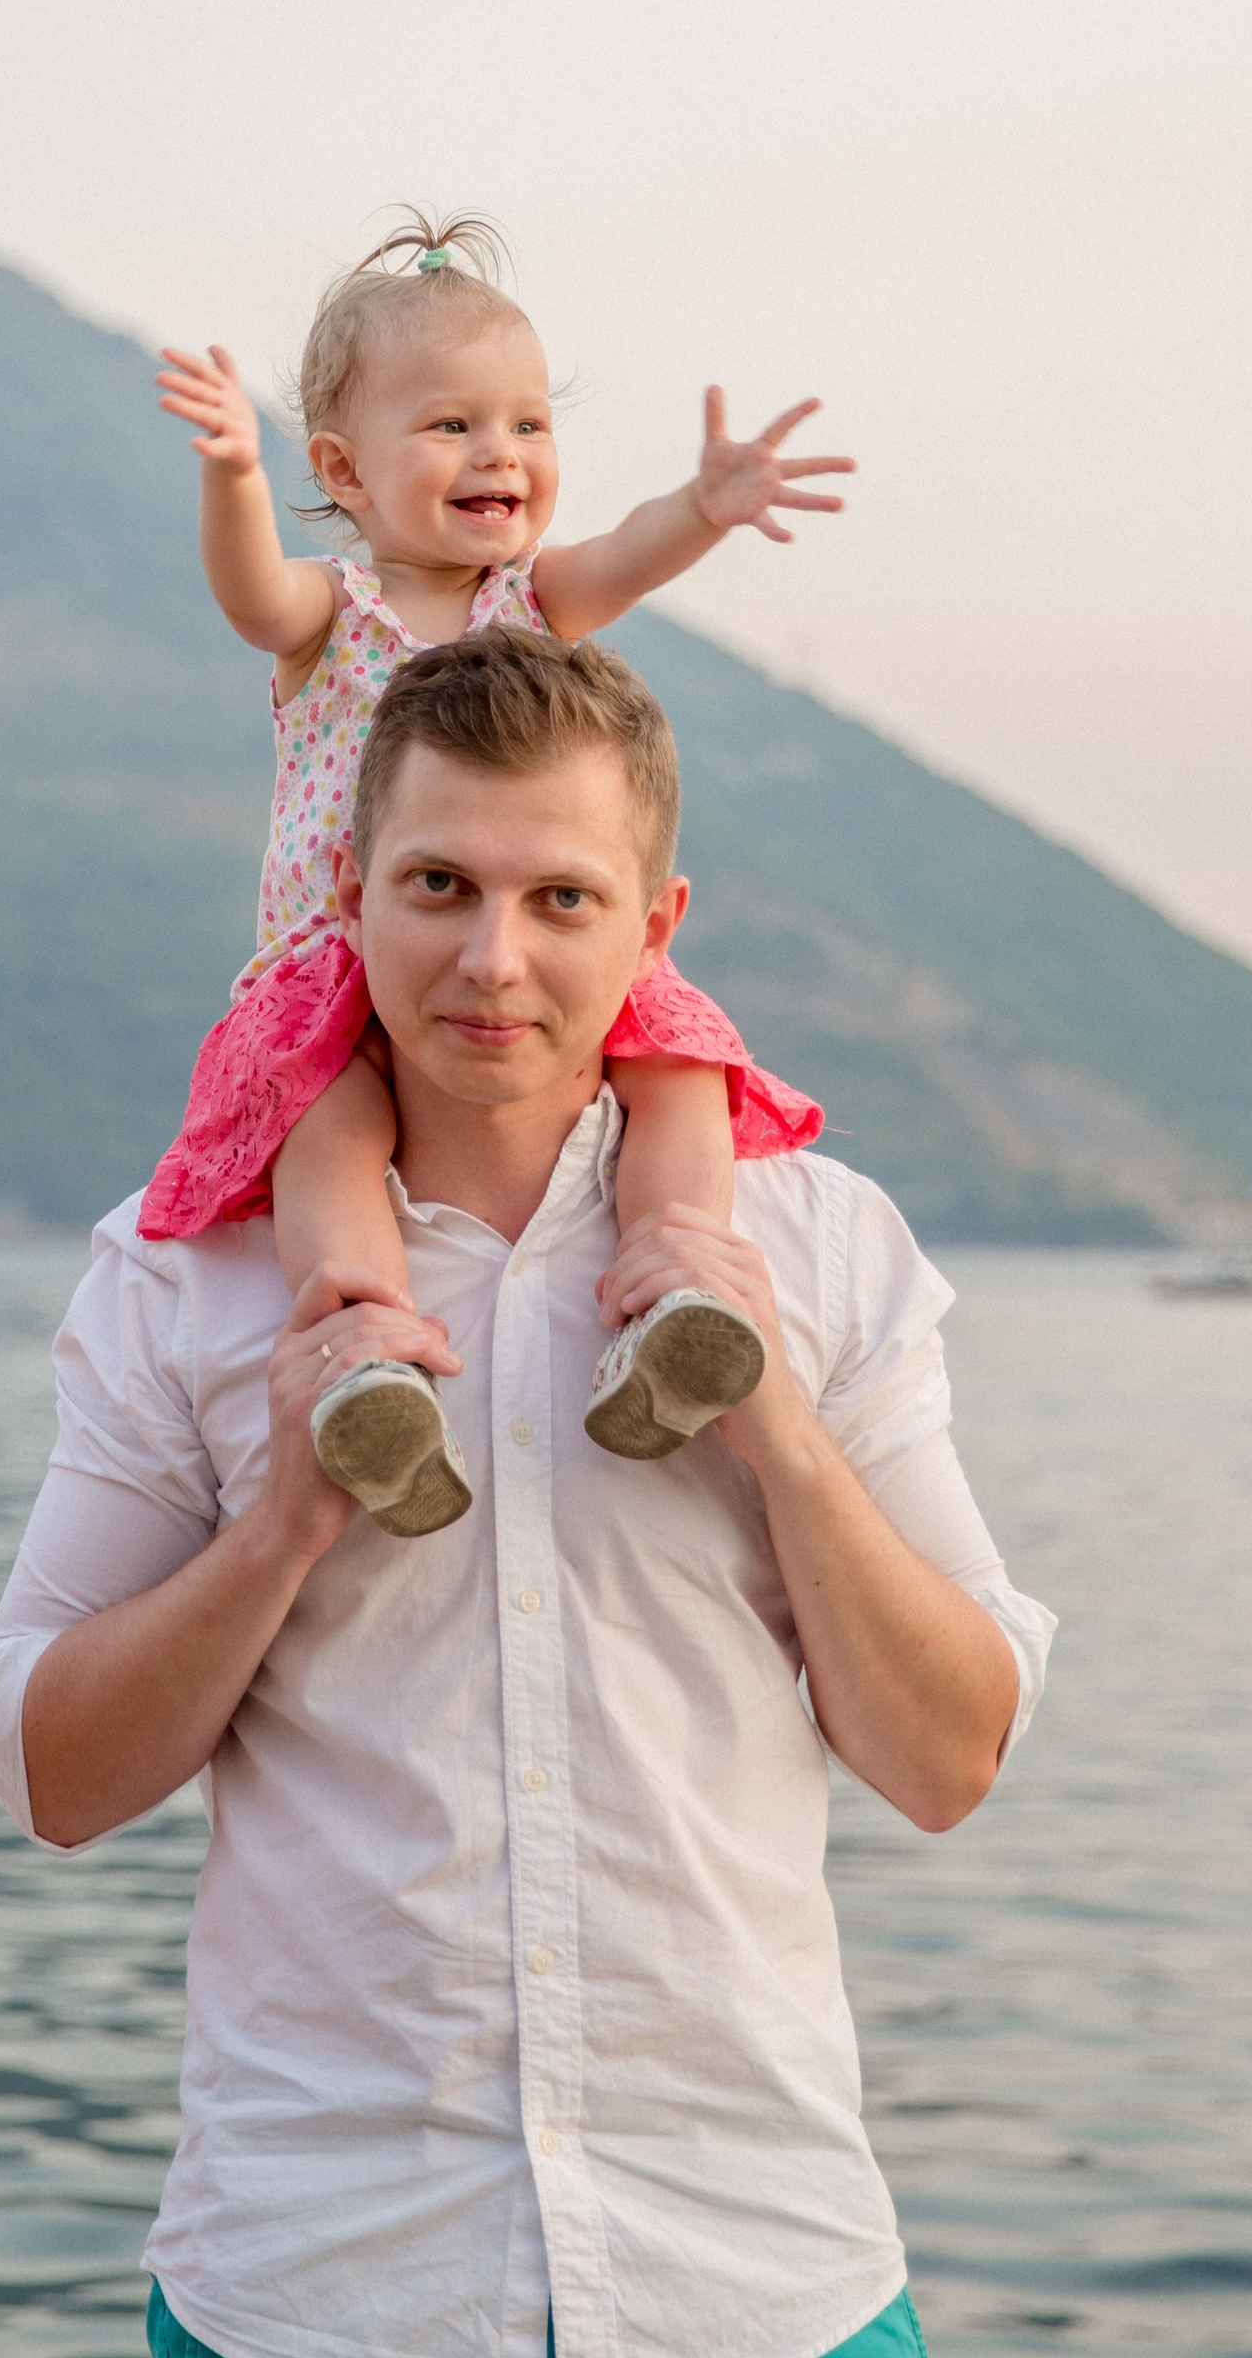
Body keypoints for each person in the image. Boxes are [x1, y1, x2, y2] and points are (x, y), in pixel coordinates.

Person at [0, 628, 1055, 2358]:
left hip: (759, 2292)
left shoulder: (825, 1251)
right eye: (440, 886)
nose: (493, 959)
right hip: (323, 2302)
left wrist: (779, 1436)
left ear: (656, 928)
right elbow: (45, 1772)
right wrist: (281, 1528)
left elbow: (949, 1759)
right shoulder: (187, 1277)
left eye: (562, 901)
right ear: (350, 895)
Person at [147, 212, 859, 1529]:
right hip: (339, 963)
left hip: (512, 953)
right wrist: (233, 474)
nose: (501, 453)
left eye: (529, 424)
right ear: (345, 470)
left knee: (680, 1068)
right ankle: (367, 1354)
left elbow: (628, 550)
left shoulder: (532, 599)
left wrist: (704, 509)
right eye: (454, 425)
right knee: (327, 1134)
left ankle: (677, 1289)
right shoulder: (334, 613)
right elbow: (250, 596)